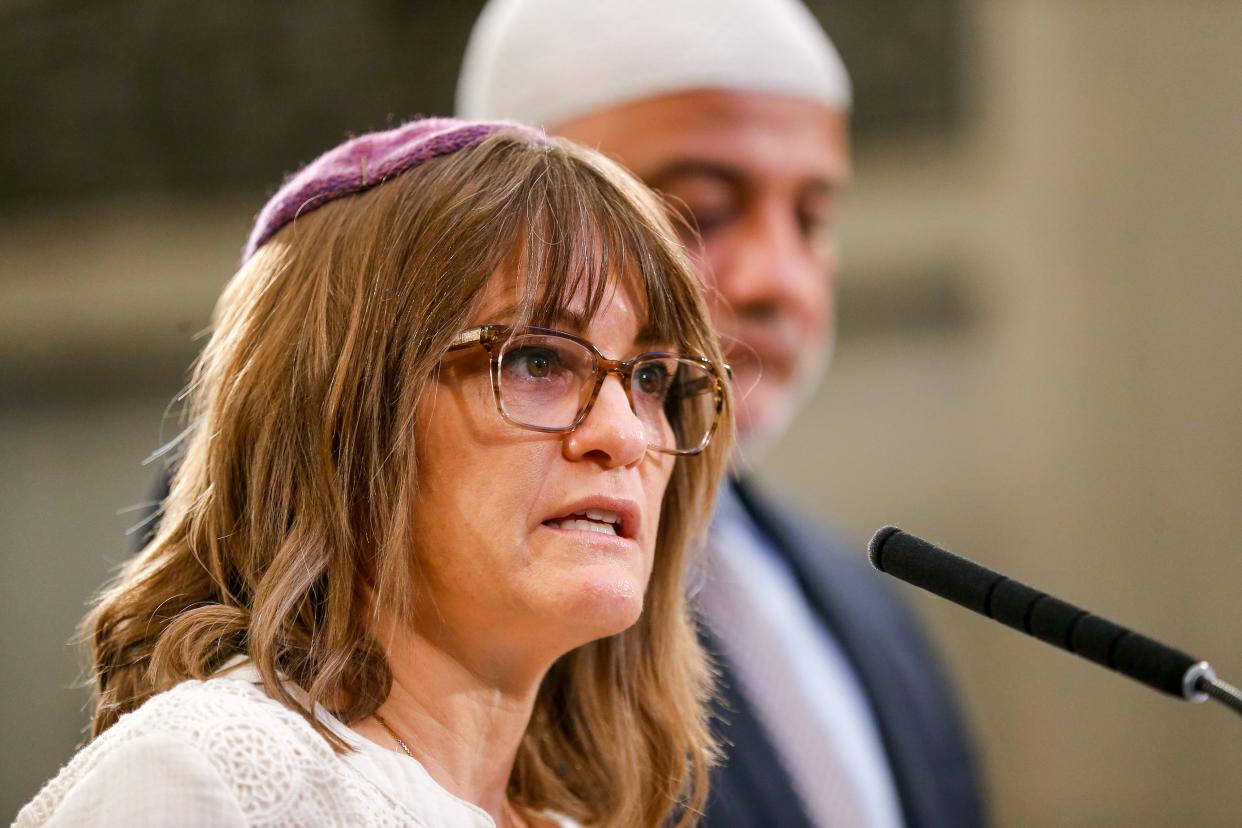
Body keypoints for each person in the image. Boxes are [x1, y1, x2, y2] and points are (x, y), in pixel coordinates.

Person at [17, 119, 735, 827]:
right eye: (535, 360)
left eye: (651, 377)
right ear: (339, 416)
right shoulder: (214, 779)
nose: (626, 433)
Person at [457, 2, 987, 826]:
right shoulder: (323, 589)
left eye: (811, 219)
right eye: (699, 214)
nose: (780, 279)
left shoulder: (871, 604)